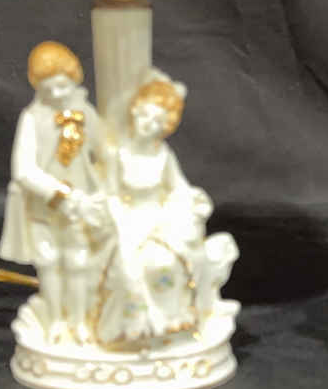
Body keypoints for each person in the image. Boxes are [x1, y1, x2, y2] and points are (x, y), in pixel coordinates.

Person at [97, 72, 238, 346]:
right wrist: (119, 221)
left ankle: (174, 319)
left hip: (159, 218)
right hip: (129, 219)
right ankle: (136, 325)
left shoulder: (163, 155)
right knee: (133, 267)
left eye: (156, 121)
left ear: (165, 126)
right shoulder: (119, 155)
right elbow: (109, 194)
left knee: (167, 262)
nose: (148, 125)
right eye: (145, 116)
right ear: (135, 112)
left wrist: (192, 200)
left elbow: (178, 188)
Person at [0, 41, 109, 344]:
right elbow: (23, 169)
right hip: (44, 205)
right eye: (50, 89)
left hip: (81, 205)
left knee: (78, 260)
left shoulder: (85, 113)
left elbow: (105, 151)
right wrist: (61, 193)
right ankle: (57, 320)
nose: (59, 95)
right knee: (48, 261)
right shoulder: (32, 118)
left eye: (64, 86)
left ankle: (80, 321)